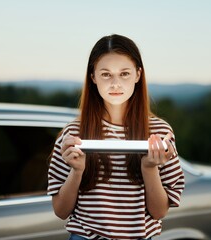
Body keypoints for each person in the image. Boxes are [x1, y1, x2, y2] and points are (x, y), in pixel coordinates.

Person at [47, 34, 185, 240]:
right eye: (105, 74)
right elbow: (61, 211)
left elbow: (159, 212)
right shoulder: (73, 134)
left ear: (138, 75)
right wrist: (76, 172)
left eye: (124, 74)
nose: (115, 84)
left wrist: (149, 168)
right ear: (92, 76)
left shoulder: (159, 132)